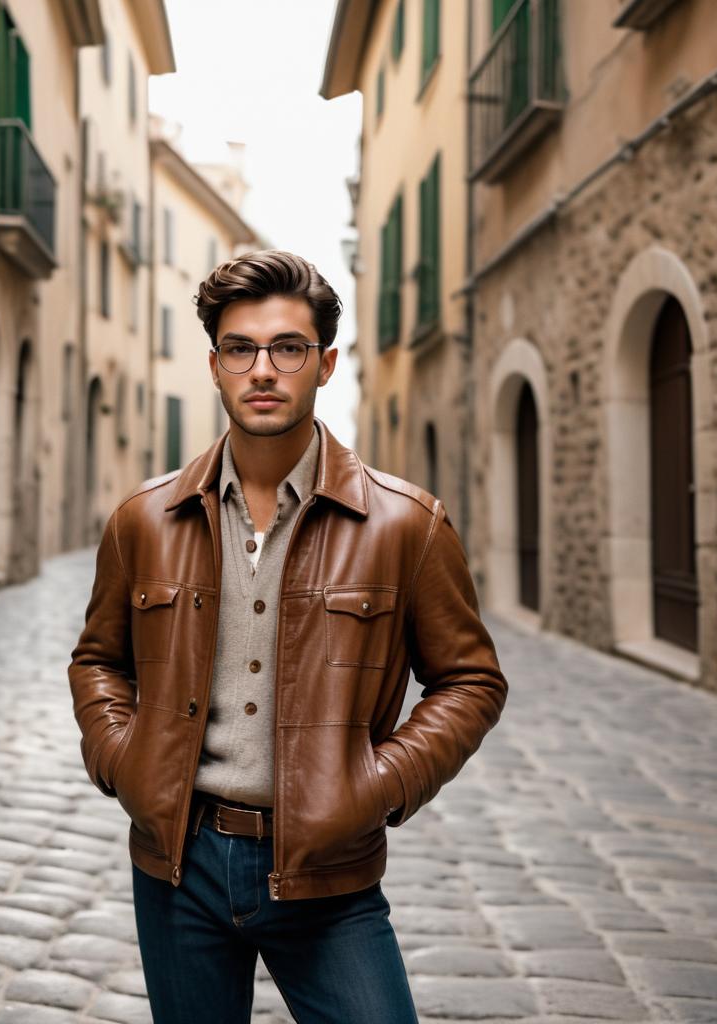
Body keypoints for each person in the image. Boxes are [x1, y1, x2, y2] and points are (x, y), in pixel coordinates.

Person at [68, 250, 508, 1023]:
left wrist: (377, 784)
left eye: (288, 348)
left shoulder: (406, 525)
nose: (262, 369)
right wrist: (122, 762)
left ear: (326, 364)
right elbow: (99, 661)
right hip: (178, 867)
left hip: (330, 874)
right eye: (240, 349)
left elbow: (471, 682)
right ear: (214, 365)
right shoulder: (143, 519)